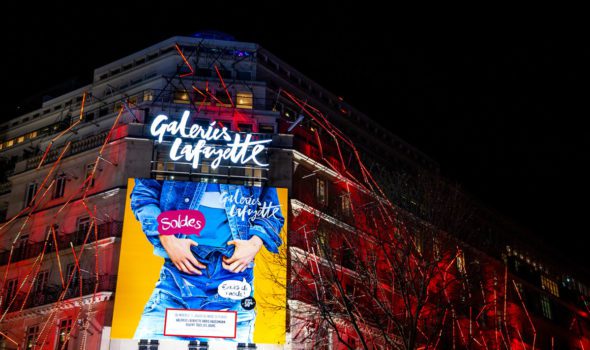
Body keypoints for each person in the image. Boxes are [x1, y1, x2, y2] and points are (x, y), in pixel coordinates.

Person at [130, 179, 284, 342]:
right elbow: (144, 194)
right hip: (177, 282)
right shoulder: (167, 154)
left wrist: (254, 244)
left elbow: (271, 213)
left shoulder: (256, 157)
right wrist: (168, 238)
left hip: (235, 284)